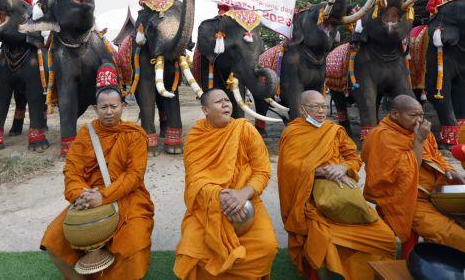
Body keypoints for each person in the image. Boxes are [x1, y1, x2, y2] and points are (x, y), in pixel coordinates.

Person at [40, 65, 154, 279]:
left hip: (129, 198)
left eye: (114, 106)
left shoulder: (135, 135)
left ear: (123, 106)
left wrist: (103, 196)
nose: (109, 111)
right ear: (95, 109)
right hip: (88, 197)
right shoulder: (85, 134)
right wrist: (80, 195)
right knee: (53, 238)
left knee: (134, 241)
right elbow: (71, 171)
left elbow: (134, 176)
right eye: (104, 107)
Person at [278, 90, 397, 279]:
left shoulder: (334, 130)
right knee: (324, 239)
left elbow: (354, 158)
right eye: (315, 106)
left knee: (385, 237)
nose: (321, 110)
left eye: (324, 106)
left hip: (344, 197)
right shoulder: (293, 132)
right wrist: (322, 171)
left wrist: (342, 167)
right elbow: (290, 168)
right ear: (302, 109)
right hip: (311, 201)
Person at [173, 88, 278, 279]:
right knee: (191, 249)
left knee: (267, 245)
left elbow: (262, 171)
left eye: (227, 101)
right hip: (208, 205)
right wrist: (220, 196)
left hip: (247, 201)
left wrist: (244, 194)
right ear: (205, 110)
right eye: (218, 102)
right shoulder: (196, 136)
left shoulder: (244, 129)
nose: (225, 104)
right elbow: (195, 179)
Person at [362, 94, 465, 254]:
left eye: (422, 115)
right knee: (453, 234)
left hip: (435, 195)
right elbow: (407, 172)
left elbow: (435, 155)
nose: (419, 120)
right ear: (395, 114)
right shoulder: (382, 137)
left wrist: (448, 169)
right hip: (406, 200)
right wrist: (418, 141)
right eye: (413, 115)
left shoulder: (419, 131)